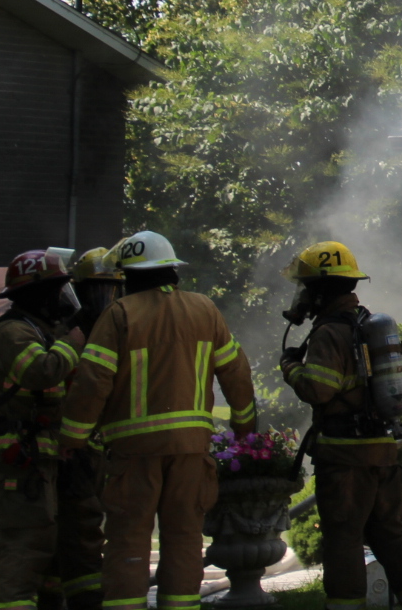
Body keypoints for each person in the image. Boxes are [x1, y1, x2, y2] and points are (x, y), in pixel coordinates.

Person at [59, 231, 257, 610]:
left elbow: (92, 381)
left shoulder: (119, 314)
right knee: (184, 538)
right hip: (191, 451)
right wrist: (244, 427)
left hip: (134, 453)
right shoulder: (204, 309)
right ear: (171, 270)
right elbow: (236, 372)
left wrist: (72, 438)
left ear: (128, 275)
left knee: (128, 540)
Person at [278, 241, 402, 610]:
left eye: (307, 287)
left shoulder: (329, 332)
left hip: (344, 458)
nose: (302, 296)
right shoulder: (371, 325)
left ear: (321, 290)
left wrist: (291, 367)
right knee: (392, 532)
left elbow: (318, 389)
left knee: (344, 536)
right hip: (382, 451)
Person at [0, 249, 103, 610]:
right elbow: (40, 372)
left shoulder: (41, 331)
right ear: (37, 295)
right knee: (27, 540)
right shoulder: (12, 333)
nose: (62, 299)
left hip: (46, 455)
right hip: (19, 457)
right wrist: (73, 343)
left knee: (63, 537)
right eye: (56, 291)